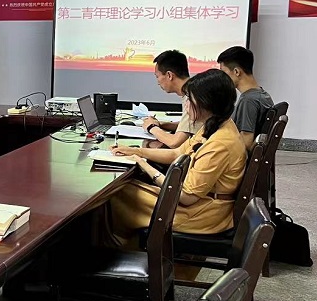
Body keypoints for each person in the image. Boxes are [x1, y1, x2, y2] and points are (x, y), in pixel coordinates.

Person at [107, 69, 246, 244]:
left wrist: (143, 164)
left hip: (203, 214)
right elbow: (177, 153)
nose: (186, 105)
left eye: (190, 100)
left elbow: (186, 197)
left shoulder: (220, 144)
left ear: (206, 104)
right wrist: (137, 152)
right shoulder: (216, 124)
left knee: (117, 194)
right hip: (201, 203)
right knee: (125, 189)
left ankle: (120, 250)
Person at [140, 50, 202, 149]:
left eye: (157, 76)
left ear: (169, 75)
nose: (158, 82)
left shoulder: (192, 96)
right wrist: (161, 124)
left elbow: (175, 142)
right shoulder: (192, 90)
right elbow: (189, 126)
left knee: (149, 144)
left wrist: (152, 127)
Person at [217, 46, 274, 151]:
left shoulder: (248, 101)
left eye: (224, 73)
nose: (222, 78)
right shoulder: (262, 95)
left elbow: (246, 142)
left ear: (236, 72)